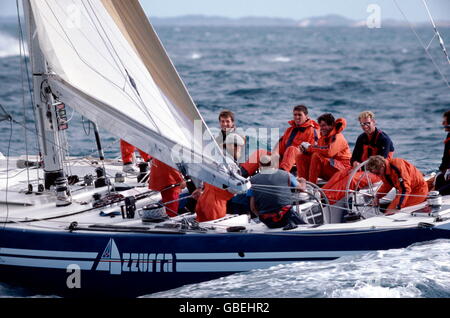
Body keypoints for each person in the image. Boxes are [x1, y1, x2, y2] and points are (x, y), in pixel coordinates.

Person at [323, 111, 395, 204]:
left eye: (367, 123)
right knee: (340, 174)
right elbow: (354, 157)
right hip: (362, 168)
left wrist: (360, 168)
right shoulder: (361, 138)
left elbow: (380, 163)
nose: (365, 126)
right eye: (362, 124)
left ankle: (328, 199)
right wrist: (355, 163)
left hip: (378, 173)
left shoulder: (384, 139)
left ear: (373, 122)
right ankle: (321, 193)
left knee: (352, 179)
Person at [194, 133, 245, 222]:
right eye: (240, 147)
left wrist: (199, 188)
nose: (240, 150)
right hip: (216, 205)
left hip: (203, 200)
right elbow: (235, 189)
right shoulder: (230, 165)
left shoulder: (214, 159)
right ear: (235, 147)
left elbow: (201, 174)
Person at [248, 155, 307, 229]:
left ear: (259, 165)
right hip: (286, 216)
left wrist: (261, 217)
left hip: (268, 221)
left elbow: (252, 208)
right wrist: (303, 182)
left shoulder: (252, 181)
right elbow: (302, 189)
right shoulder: (286, 174)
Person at [296, 113, 351, 184]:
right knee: (300, 156)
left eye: (324, 125)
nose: (321, 128)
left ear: (331, 125)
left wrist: (309, 147)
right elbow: (319, 150)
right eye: (320, 126)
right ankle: (303, 184)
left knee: (316, 156)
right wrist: (306, 151)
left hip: (342, 170)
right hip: (330, 168)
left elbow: (329, 152)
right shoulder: (322, 139)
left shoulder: (338, 137)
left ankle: (311, 186)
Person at [272, 105, 320, 172]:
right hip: (283, 160)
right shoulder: (289, 130)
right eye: (295, 115)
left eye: (299, 115)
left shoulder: (312, 131)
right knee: (260, 153)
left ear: (306, 117)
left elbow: (313, 153)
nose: (297, 117)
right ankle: (252, 177)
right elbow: (281, 146)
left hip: (301, 164)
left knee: (292, 149)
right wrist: (275, 153)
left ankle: (282, 173)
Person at [435, 110, 450, 195]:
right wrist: (442, 170)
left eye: (445, 122)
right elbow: (445, 158)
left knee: (438, 192)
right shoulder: (449, 136)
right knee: (439, 179)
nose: (443, 124)